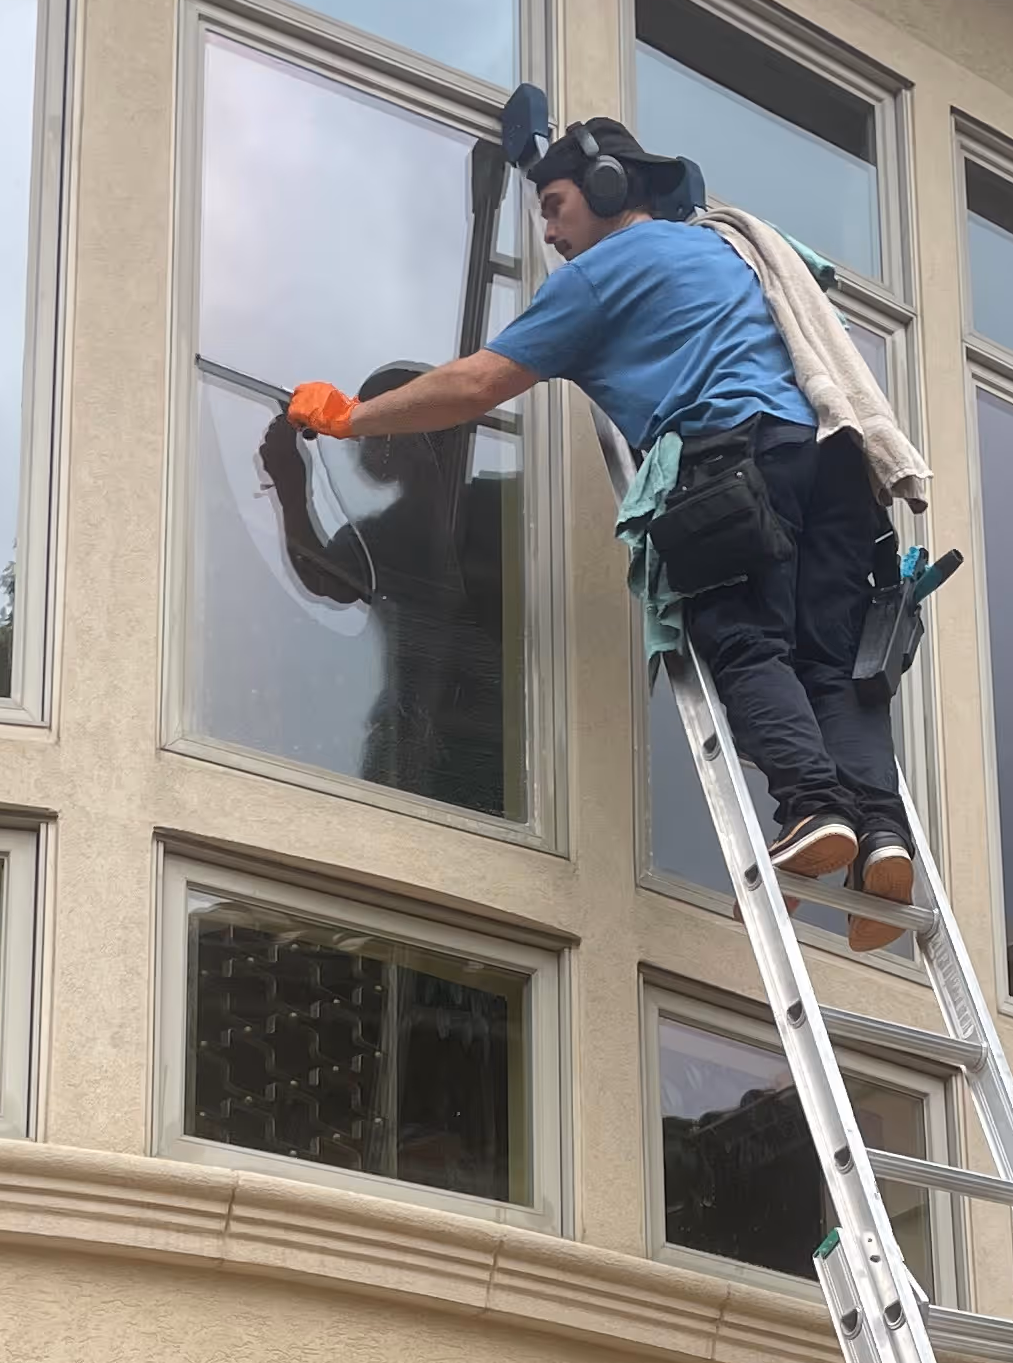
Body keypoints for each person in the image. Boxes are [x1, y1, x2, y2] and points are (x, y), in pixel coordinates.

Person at [283, 116, 928, 939]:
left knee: (747, 643)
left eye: (555, 206)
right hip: (833, 463)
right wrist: (538, 153)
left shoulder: (600, 276)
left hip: (737, 466)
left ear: (612, 190)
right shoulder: (727, 248)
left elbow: (477, 383)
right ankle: (881, 837)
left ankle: (812, 806)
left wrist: (353, 419)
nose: (548, 233)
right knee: (833, 668)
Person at [258, 360, 507, 815]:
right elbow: (324, 578)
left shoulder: (504, 510)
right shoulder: (383, 534)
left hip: (484, 737)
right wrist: (292, 489)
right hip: (417, 736)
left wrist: (294, 489)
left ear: (415, 430)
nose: (359, 437)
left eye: (377, 421)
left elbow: (324, 578)